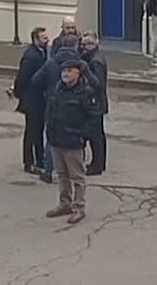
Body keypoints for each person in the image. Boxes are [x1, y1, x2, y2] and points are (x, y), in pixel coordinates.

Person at [45, 59, 101, 225]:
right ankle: (65, 203)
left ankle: (79, 208)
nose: (65, 74)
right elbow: (51, 110)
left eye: (69, 71)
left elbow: (94, 117)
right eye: (63, 71)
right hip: (56, 140)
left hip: (73, 141)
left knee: (77, 177)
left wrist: (83, 136)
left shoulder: (85, 92)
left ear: (78, 73)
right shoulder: (58, 89)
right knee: (62, 174)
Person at [32, 30, 81, 183]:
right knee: (75, 140)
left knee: (51, 139)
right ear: (75, 46)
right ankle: (74, 172)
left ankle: (48, 171)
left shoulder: (51, 63)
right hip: (74, 107)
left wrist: (47, 90)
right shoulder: (79, 64)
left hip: (53, 105)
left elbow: (36, 80)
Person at [14, 27, 49, 173]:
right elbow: (22, 78)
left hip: (39, 99)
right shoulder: (31, 56)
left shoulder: (42, 52)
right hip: (32, 100)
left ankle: (40, 160)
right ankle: (29, 163)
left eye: (46, 37)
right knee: (32, 132)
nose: (47, 40)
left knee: (38, 131)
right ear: (35, 40)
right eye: (43, 38)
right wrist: (18, 93)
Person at [79, 31, 109, 174]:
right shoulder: (93, 57)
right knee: (97, 135)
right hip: (98, 103)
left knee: (95, 136)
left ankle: (97, 165)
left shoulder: (95, 61)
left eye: (87, 44)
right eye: (82, 44)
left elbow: (98, 84)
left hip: (95, 104)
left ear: (94, 44)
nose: (83, 47)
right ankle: (99, 163)